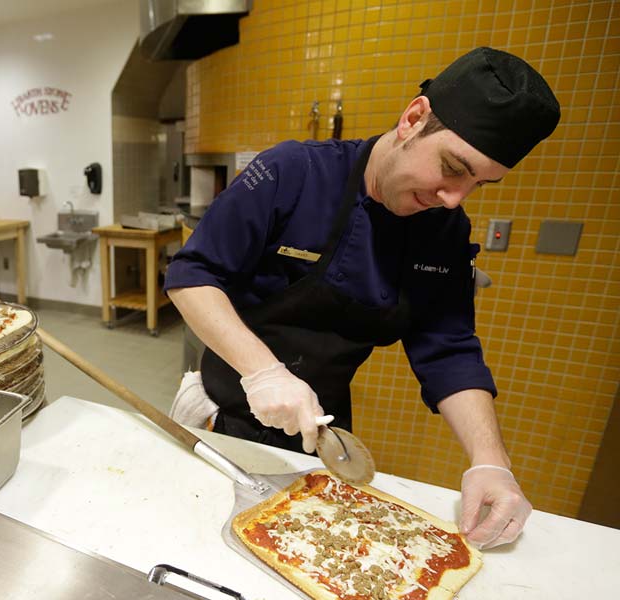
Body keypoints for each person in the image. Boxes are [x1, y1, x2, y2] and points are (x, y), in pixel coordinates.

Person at [164, 48, 560, 550]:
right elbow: (192, 276)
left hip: (324, 435)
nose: (455, 197)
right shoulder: (292, 173)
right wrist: (264, 371)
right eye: (452, 168)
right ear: (413, 119)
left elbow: (449, 348)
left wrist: (491, 462)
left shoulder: (443, 230)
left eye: (479, 184)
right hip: (223, 418)